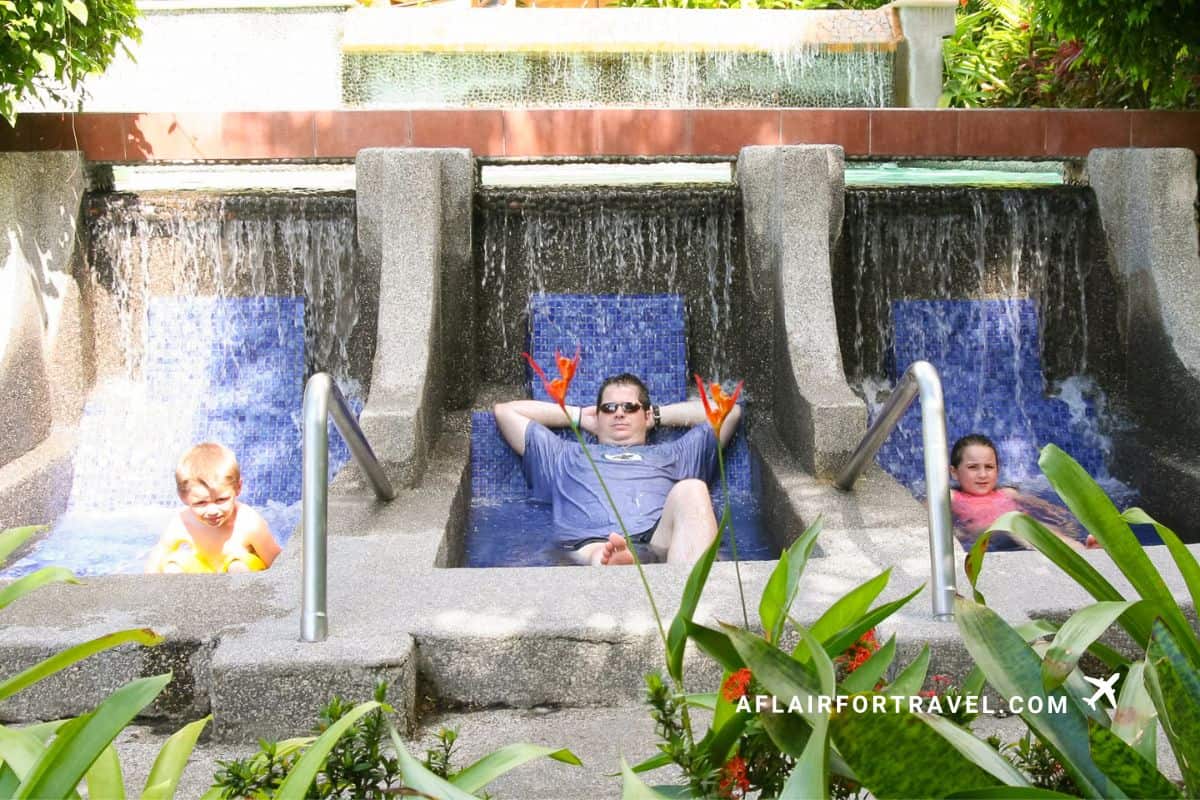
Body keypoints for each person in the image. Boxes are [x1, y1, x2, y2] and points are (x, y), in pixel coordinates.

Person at [493, 373, 741, 566]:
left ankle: (689, 606)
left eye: (630, 407)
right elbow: (506, 412)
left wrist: (657, 415)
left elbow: (730, 411)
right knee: (598, 553)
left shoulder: (676, 453)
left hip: (657, 540)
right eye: (609, 408)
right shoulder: (565, 454)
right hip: (587, 543)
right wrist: (579, 416)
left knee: (693, 489)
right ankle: (610, 563)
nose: (619, 413)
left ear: (645, 416)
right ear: (598, 416)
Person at [146, 442, 282, 573]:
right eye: (201, 503)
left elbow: (280, 566)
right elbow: (156, 559)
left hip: (243, 579)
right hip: (204, 575)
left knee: (237, 565)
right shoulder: (182, 522)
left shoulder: (249, 523)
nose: (212, 511)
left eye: (221, 500)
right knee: (173, 565)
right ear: (183, 497)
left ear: (238, 488)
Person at [949, 434, 1096, 551]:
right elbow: (928, 518)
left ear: (998, 469)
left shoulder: (1007, 493)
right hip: (985, 532)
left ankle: (1083, 551)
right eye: (973, 467)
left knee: (1045, 529)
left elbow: (1046, 507)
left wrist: (1066, 520)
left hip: (1022, 528)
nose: (983, 474)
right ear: (954, 472)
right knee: (1017, 527)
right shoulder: (953, 496)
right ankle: (1079, 553)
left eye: (989, 467)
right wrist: (958, 534)